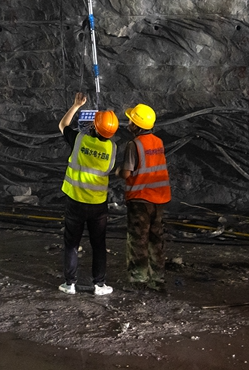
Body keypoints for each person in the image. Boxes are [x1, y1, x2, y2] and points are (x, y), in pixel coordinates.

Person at [57, 92, 119, 296]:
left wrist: (76, 106)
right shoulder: (112, 148)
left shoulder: (80, 140)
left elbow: (63, 125)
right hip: (97, 205)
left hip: (75, 201)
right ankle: (99, 285)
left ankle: (70, 283)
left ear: (93, 126)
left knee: (72, 243)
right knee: (98, 244)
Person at [118, 103, 171, 292]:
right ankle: (157, 279)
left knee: (138, 240)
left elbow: (126, 173)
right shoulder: (158, 142)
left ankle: (138, 280)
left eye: (131, 120)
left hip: (140, 199)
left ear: (137, 125)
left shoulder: (134, 145)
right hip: (159, 199)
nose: (128, 124)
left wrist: (117, 171)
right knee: (156, 240)